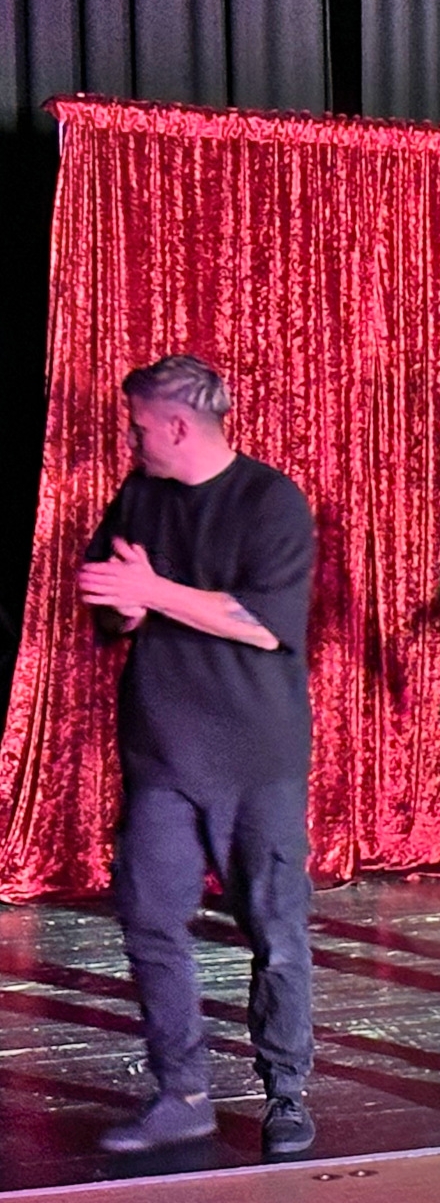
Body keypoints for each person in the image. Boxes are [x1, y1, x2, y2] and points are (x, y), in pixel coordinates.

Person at [76, 355, 319, 1155]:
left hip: (257, 754)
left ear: (178, 425)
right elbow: (111, 596)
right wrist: (134, 607)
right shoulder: (140, 497)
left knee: (273, 928)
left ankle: (285, 1092)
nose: (132, 438)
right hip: (164, 753)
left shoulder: (269, 500)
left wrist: (156, 594)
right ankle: (181, 1091)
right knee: (150, 917)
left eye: (140, 425)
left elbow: (262, 622)